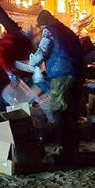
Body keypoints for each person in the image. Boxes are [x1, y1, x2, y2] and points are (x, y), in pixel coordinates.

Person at [27, 10, 84, 164]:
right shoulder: (66, 30)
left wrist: (31, 62)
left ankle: (65, 153)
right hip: (76, 74)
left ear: (42, 23)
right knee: (71, 113)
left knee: (60, 112)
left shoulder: (49, 31)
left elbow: (42, 52)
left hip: (62, 75)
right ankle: (73, 150)